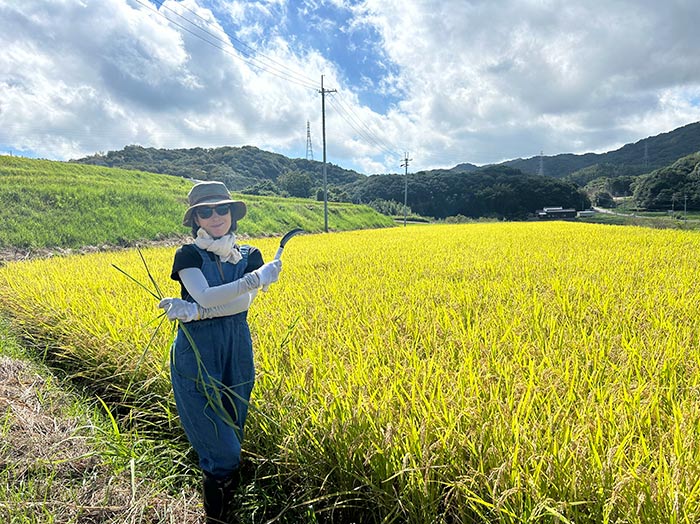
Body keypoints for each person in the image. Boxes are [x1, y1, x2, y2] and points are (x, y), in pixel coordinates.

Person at [157, 181, 282, 523]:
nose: (215, 217)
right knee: (222, 449)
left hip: (236, 347)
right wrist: (255, 280)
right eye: (205, 211)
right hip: (197, 350)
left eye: (222, 209)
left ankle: (227, 508)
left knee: (233, 430)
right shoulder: (188, 255)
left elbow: (240, 304)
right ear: (195, 217)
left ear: (232, 213)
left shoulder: (250, 255)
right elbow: (208, 296)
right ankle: (217, 518)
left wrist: (196, 310)